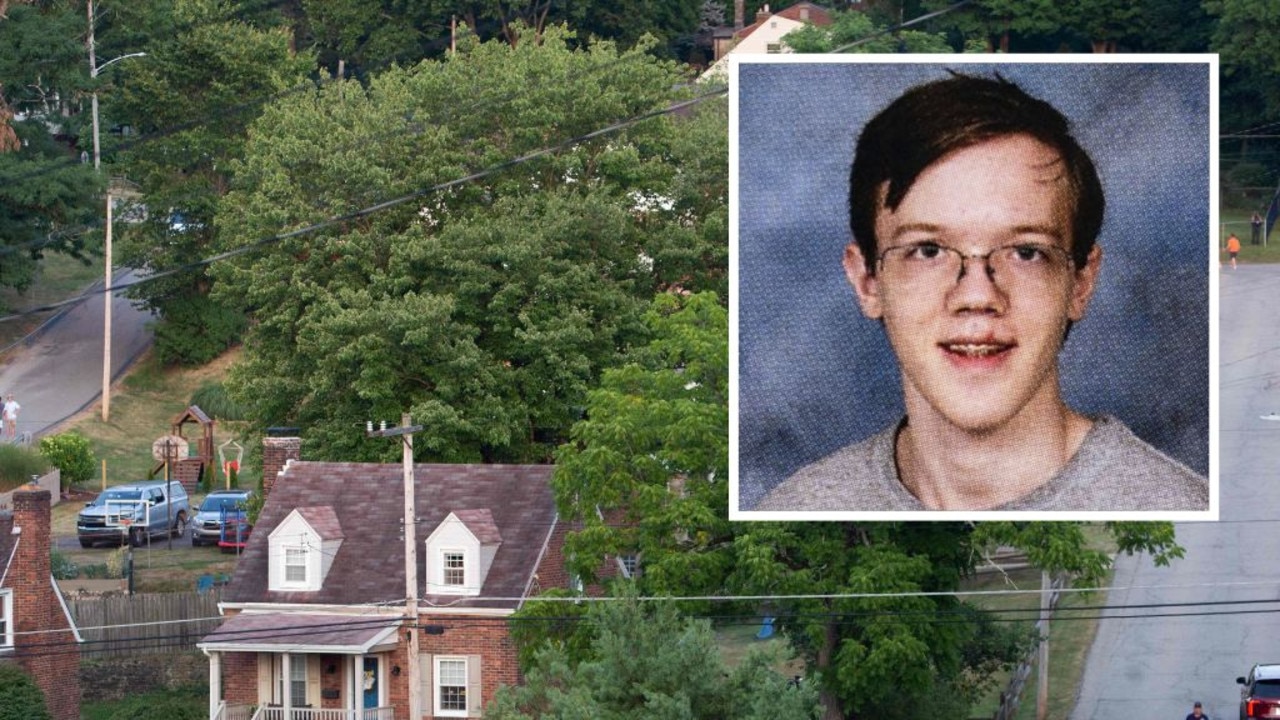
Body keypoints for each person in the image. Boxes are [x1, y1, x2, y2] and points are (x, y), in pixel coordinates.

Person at [755, 73, 1207, 512]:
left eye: (1026, 252)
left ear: (1081, 282)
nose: (977, 296)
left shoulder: (1174, 502)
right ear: (867, 281)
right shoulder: (795, 504)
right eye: (928, 250)